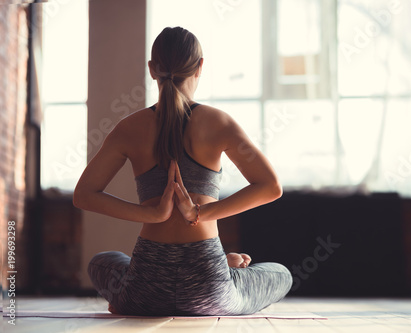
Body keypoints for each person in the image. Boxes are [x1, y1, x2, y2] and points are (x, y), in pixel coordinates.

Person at [73, 26, 292, 316]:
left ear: (152, 69)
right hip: (211, 291)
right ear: (200, 67)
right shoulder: (219, 123)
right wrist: (200, 214)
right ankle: (226, 267)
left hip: (144, 292)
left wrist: (151, 214)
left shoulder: (129, 127)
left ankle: (216, 270)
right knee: (281, 273)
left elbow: (83, 195)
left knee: (101, 261)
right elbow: (270, 187)